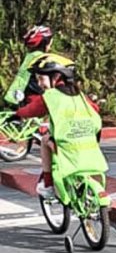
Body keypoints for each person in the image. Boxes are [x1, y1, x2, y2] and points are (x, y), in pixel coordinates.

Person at [15, 59, 106, 198]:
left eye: (41, 79)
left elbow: (31, 110)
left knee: (45, 140)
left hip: (66, 145)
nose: (39, 84)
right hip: (90, 142)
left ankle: (48, 185)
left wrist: (17, 115)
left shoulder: (50, 96)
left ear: (55, 77)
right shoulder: (80, 95)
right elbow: (95, 109)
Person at [3, 24, 72, 107]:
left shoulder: (29, 56)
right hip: (34, 102)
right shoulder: (43, 59)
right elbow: (45, 83)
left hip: (15, 99)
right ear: (47, 42)